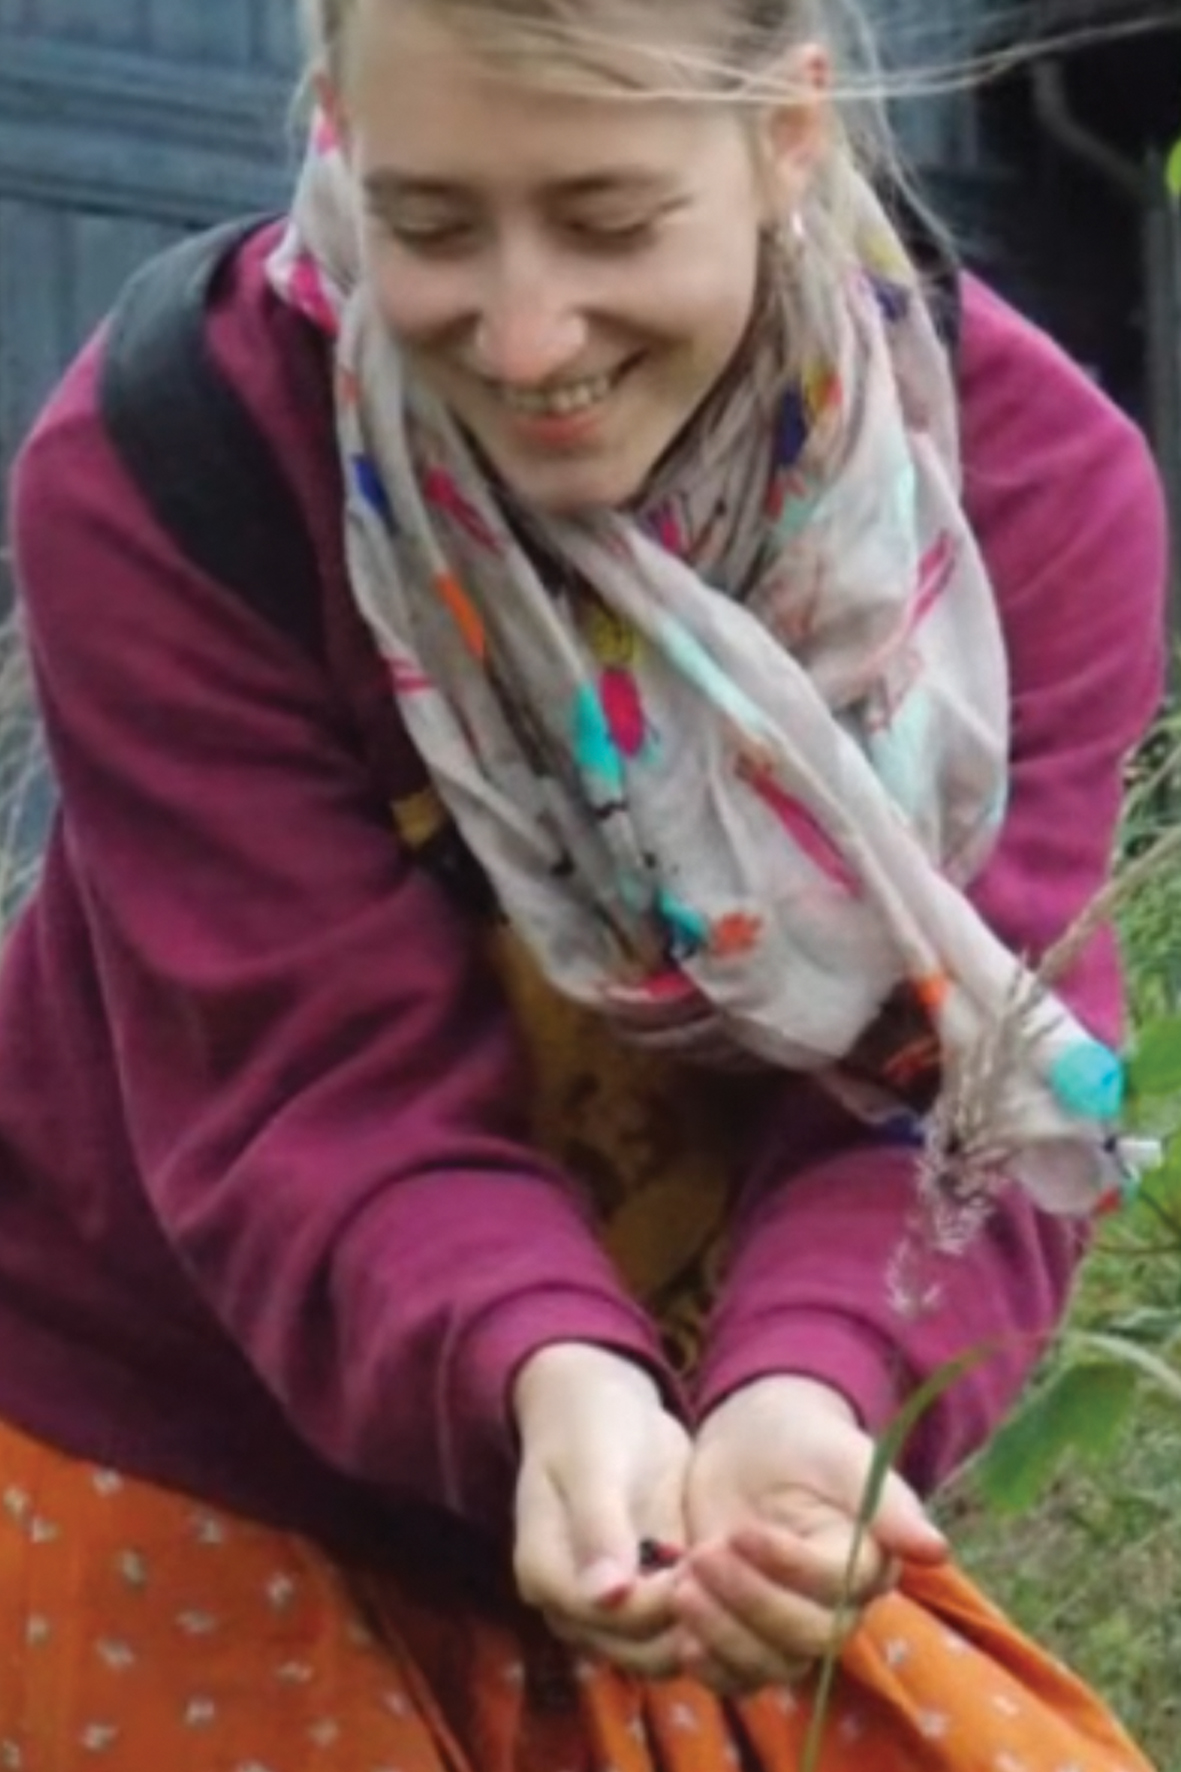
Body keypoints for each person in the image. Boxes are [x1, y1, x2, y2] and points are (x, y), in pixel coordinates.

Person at [0, 0, 1168, 1765]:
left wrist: (812, 1391)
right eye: (428, 223)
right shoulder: (181, 461)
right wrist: (550, 1371)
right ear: (336, 127)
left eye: (608, 221)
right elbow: (313, 1091)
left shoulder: (1025, 498)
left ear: (787, 133)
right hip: (188, 1438)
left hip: (722, 1468)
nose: (526, 333)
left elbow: (966, 1088)